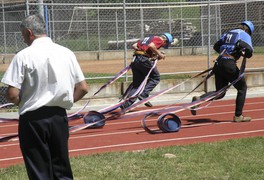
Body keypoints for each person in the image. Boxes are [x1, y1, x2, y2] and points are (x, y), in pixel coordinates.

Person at [1, 14, 88, 179]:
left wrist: (24, 102)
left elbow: (12, 94)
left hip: (33, 118)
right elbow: (83, 87)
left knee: (39, 169)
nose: (24, 40)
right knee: (61, 167)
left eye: (23, 36)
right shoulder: (67, 53)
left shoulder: (23, 55)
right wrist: (67, 101)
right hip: (59, 116)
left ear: (29, 32)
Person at [190, 20, 254, 122]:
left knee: (220, 93)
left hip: (219, 63)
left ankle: (199, 99)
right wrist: (242, 52)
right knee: (242, 88)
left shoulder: (228, 33)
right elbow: (249, 52)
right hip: (229, 64)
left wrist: (229, 51)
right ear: (247, 30)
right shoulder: (244, 34)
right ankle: (238, 116)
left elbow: (216, 46)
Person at [120, 33, 174, 110]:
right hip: (143, 60)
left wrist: (150, 55)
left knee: (137, 84)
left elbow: (134, 45)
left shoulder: (148, 38)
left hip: (135, 60)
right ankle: (144, 94)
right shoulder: (160, 39)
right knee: (155, 77)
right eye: (164, 44)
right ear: (165, 40)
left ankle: (126, 105)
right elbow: (151, 46)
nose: (162, 45)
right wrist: (160, 54)